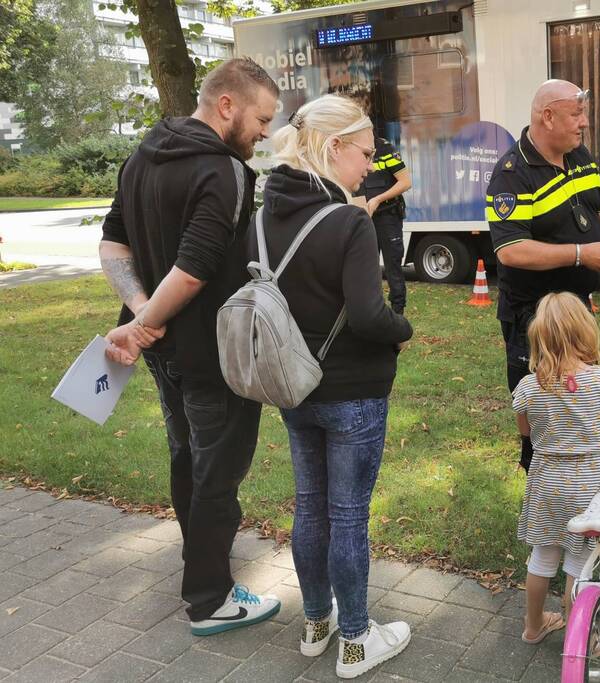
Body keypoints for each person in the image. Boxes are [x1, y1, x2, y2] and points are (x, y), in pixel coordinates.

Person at [100, 58, 282, 636]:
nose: (265, 133)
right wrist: (144, 321)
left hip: (165, 356)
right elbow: (195, 268)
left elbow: (112, 246)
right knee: (217, 474)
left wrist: (140, 315)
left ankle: (202, 563)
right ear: (227, 105)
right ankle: (210, 599)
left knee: (187, 457)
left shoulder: (142, 156)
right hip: (214, 356)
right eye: (262, 119)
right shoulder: (225, 171)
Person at [259, 93, 413, 678]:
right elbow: (370, 316)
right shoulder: (348, 220)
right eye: (366, 154)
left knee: (310, 508)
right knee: (347, 516)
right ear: (333, 147)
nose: (370, 168)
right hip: (352, 390)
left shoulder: (263, 217)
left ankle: (315, 623)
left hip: (293, 385)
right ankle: (355, 641)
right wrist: (403, 329)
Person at [485, 79, 600, 472]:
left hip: (576, 309)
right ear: (548, 116)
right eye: (576, 114)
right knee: (542, 413)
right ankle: (544, 489)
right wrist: (582, 254)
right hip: (534, 317)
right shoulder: (511, 175)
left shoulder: (578, 155)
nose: (584, 123)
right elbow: (510, 250)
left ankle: (586, 484)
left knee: (583, 403)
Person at [512, 292, 600, 644]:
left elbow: (526, 431)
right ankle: (582, 637)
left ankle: (533, 626)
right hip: (592, 482)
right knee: (581, 562)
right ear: (585, 332)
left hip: (546, 481)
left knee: (542, 556)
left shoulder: (528, 387)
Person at [356, 133, 411, 314]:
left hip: (387, 217)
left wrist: (378, 199)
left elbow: (405, 182)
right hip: (363, 218)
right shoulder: (350, 147)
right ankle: (372, 312)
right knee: (365, 268)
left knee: (392, 267)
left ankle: (397, 313)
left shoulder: (384, 148)